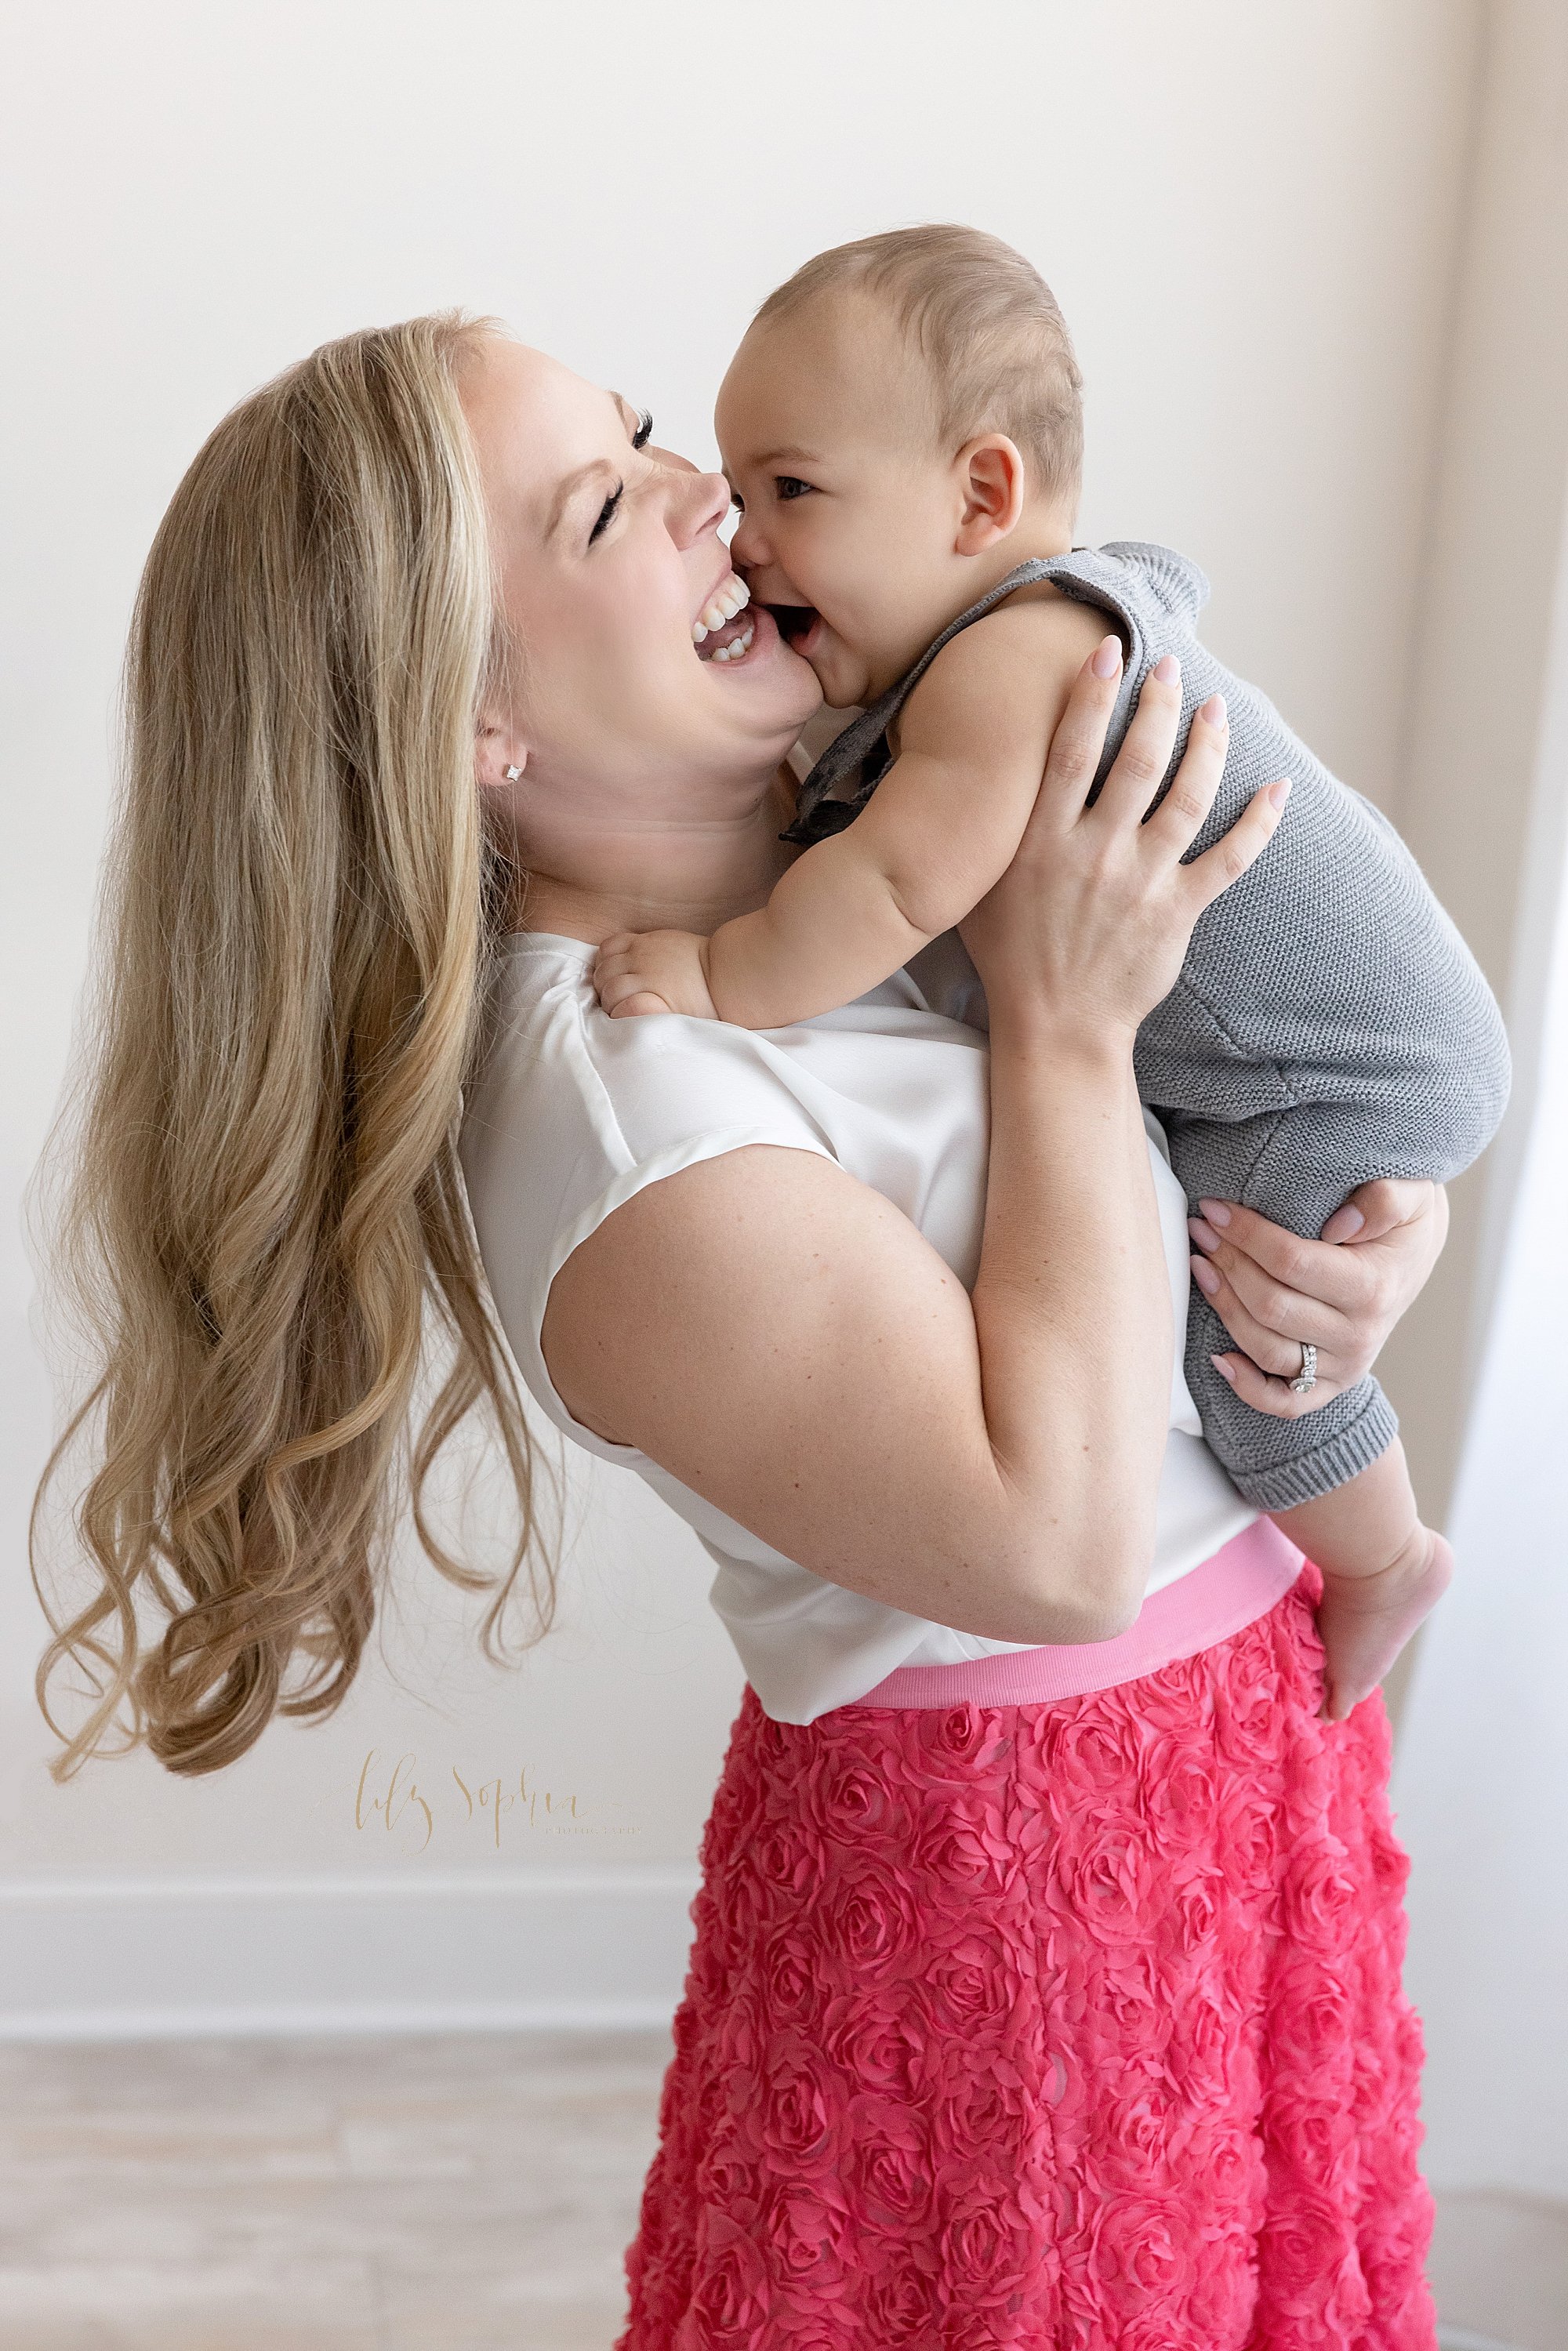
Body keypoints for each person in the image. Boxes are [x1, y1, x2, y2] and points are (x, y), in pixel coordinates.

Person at [34, 314, 1452, 2345]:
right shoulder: (623, 1116)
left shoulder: (863, 876)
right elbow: (1047, 1548)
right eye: (610, 501)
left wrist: (1340, 1258)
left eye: (641, 433)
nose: (711, 486)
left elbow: (1158, 1223)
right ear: (469, 723)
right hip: (1033, 1897)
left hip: (1227, 1786)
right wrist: (1070, 1022)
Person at [593, 228, 1510, 1736]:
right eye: (739, 488)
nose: (744, 538)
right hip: (1322, 1043)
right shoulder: (988, 653)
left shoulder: (1010, 663)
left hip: (1348, 1066)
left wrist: (715, 970)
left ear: (982, 496)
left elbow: (896, 886)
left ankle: (1388, 1554)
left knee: (1250, 1340)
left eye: (791, 490)